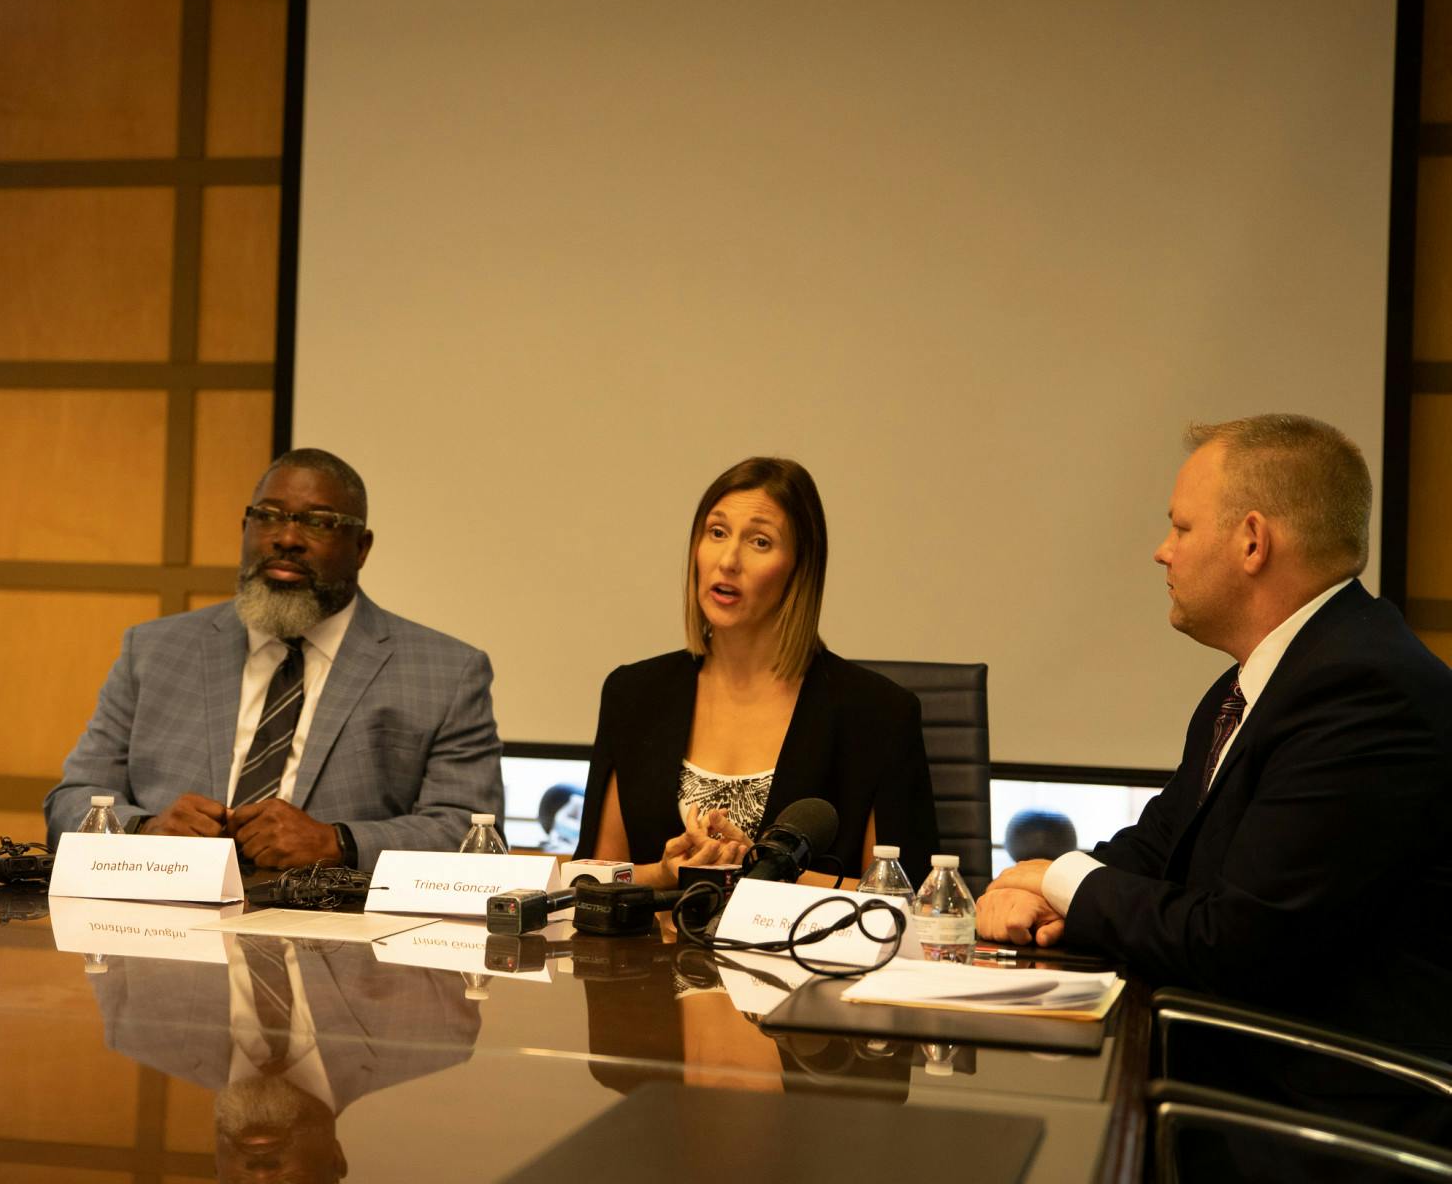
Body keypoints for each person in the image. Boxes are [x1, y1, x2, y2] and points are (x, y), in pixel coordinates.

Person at [978, 415, 1452, 1055]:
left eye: (1181, 526)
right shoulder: (1262, 682)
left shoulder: (1365, 693)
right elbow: (1159, 848)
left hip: (1309, 1120)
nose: (1162, 549)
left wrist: (1060, 880)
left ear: (1253, 542)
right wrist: (1033, 891)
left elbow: (1237, 943)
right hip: (1227, 1070)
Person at [46, 449, 503, 870]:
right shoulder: (154, 651)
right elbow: (72, 802)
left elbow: (469, 831)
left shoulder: (447, 672)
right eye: (268, 517)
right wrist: (145, 830)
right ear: (245, 529)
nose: (287, 538)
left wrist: (338, 843)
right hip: (167, 930)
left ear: (361, 548)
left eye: (318, 522)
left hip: (341, 938)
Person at [578, 457, 940, 890]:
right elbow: (594, 881)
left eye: (760, 542)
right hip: (650, 956)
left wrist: (766, 873)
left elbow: (906, 898)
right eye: (716, 533)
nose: (728, 560)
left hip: (803, 957)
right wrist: (663, 872)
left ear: (799, 567)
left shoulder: (879, 714)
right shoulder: (634, 694)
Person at [91, 940, 480, 1184]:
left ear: (218, 1172)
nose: (260, 1175)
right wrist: (341, 843)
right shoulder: (435, 1033)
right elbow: (460, 854)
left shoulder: (139, 1030)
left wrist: (148, 830)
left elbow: (91, 867)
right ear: (336, 1160)